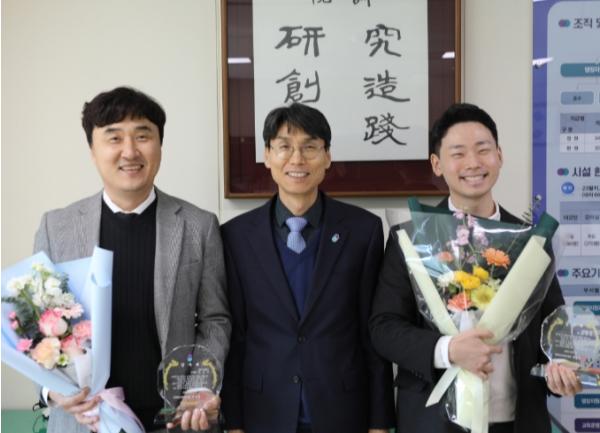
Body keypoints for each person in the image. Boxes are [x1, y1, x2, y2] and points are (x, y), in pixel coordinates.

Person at [369, 102, 582, 433]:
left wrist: (560, 368)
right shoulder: (411, 238)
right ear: (437, 164)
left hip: (515, 421)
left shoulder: (532, 240)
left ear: (499, 155)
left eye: (483, 150)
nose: (473, 163)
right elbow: (384, 328)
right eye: (458, 153)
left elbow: (554, 327)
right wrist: (449, 350)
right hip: (433, 421)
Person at [33, 86, 231, 433]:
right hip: (84, 420)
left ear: (159, 145)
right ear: (93, 150)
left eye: (142, 136)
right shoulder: (56, 227)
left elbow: (215, 319)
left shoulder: (198, 226)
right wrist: (51, 391)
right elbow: (35, 327)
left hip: (174, 419)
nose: (129, 151)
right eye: (114, 137)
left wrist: (199, 386)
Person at [220, 103, 395, 433]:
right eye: (284, 146)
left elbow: (371, 334)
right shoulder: (236, 236)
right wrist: (234, 422)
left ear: (327, 157)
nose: (297, 159)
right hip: (263, 413)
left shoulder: (363, 231)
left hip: (343, 412)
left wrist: (379, 423)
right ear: (267, 156)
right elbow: (237, 337)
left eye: (310, 147)